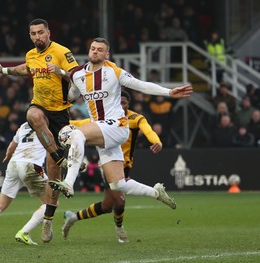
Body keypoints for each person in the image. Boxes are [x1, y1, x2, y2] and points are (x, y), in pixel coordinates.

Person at [49, 38, 192, 206]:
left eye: (100, 49)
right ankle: (156, 192)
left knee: (76, 134)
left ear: (106, 54)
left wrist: (169, 92)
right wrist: (57, 82)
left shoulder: (114, 72)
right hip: (102, 131)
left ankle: (68, 182)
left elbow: (141, 85)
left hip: (116, 125)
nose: (95, 51)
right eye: (93, 48)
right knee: (118, 183)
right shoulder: (78, 74)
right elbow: (71, 96)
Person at [0, 18, 79, 243]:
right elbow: (24, 69)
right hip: (40, 105)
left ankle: (47, 220)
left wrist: (58, 70)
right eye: (33, 34)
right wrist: (4, 70)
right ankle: (60, 156)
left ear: (49, 32)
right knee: (32, 115)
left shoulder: (62, 52)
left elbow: (78, 75)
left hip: (60, 112)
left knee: (53, 173)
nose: (37, 37)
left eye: (40, 32)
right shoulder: (31, 55)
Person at [62, 89, 164, 243]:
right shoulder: (103, 120)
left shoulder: (135, 118)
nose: (122, 105)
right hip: (108, 165)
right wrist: (55, 123)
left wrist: (157, 141)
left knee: (106, 206)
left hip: (125, 166)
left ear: (128, 104)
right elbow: (77, 124)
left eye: (125, 103)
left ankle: (73, 217)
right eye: (119, 102)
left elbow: (148, 130)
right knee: (120, 200)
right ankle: (119, 229)